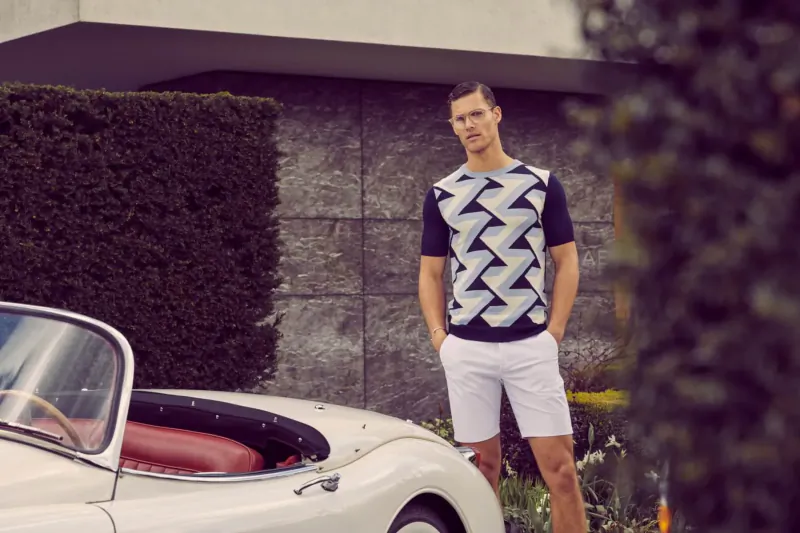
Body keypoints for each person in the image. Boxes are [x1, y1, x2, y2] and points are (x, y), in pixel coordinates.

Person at [418, 81, 585, 533]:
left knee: (562, 473)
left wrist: (554, 332)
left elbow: (567, 261)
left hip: (530, 346)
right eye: (459, 119)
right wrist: (440, 339)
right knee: (480, 474)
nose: (469, 124)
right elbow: (431, 274)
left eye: (476, 114)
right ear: (453, 127)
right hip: (467, 350)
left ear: (496, 114)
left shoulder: (541, 185)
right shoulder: (442, 194)